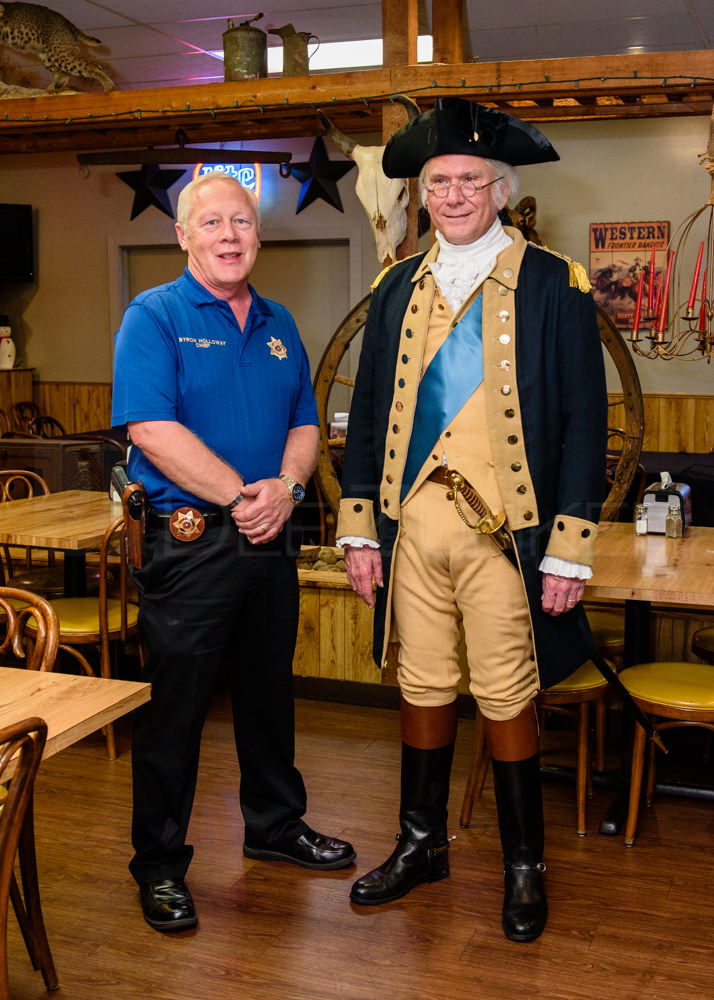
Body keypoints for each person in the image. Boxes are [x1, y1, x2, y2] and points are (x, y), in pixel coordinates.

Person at [336, 98, 607, 942]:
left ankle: (526, 864)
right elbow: (374, 407)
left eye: (470, 180)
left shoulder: (554, 282)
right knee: (419, 684)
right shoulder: (395, 286)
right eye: (439, 181)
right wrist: (357, 528)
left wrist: (568, 549)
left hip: (508, 531)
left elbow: (583, 421)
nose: (453, 194)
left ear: (499, 189)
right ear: (422, 194)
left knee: (503, 690)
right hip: (411, 527)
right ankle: (422, 844)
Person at [112, 171, 355, 934]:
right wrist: (244, 498)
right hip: (191, 543)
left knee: (266, 694)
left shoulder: (281, 321)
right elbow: (149, 428)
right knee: (177, 710)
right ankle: (158, 864)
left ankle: (276, 827)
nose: (228, 235)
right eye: (210, 222)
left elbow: (306, 424)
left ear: (257, 233)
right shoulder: (153, 316)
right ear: (183, 236)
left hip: (271, 534)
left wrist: (284, 485)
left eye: (241, 222)